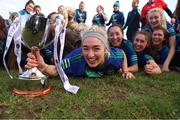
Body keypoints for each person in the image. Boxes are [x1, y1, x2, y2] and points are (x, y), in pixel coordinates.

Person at [25, 25, 135, 79]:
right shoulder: (75, 58)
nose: (90, 55)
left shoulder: (114, 56)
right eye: (86, 48)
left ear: (105, 49)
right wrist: (43, 66)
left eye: (96, 48)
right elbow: (55, 70)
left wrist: (125, 71)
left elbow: (123, 54)